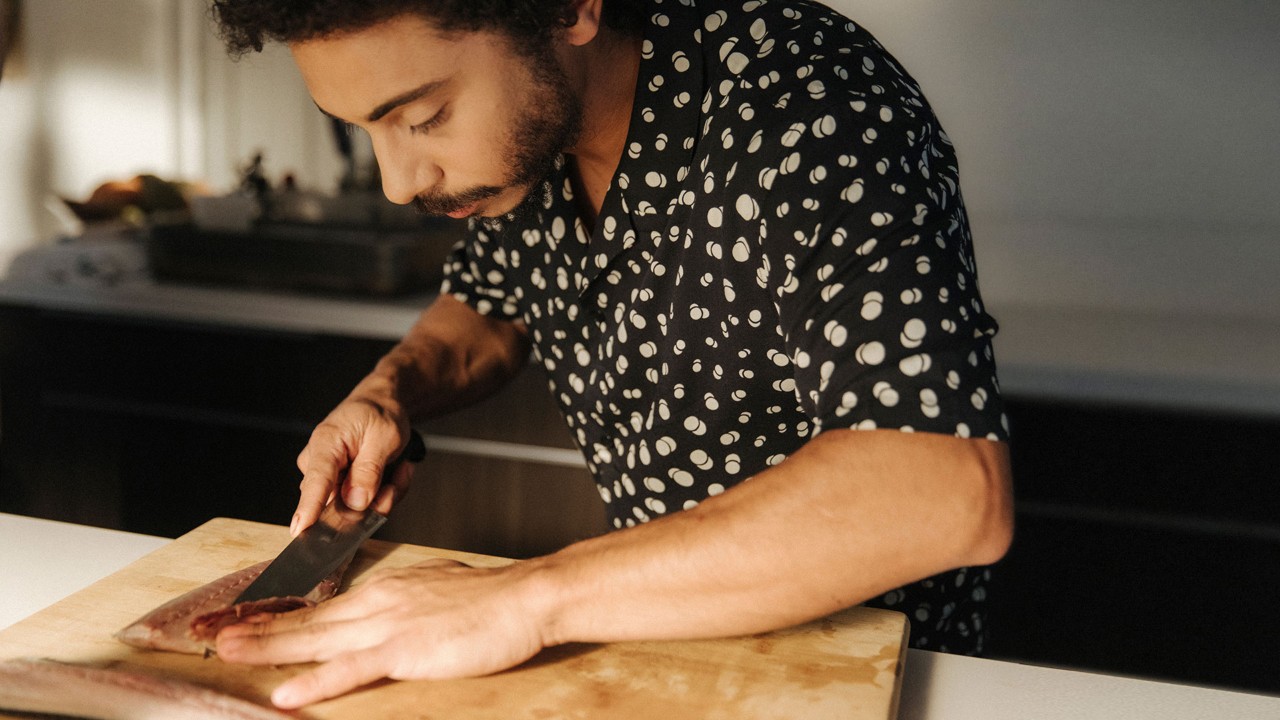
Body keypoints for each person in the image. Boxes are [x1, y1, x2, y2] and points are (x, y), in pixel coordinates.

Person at [211, 0, 1015, 709]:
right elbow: (491, 304)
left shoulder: (807, 106)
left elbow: (939, 487)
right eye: (362, 129)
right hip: (661, 656)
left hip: (868, 679)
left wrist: (522, 598)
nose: (397, 181)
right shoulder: (529, 144)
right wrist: (390, 392)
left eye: (422, 118)